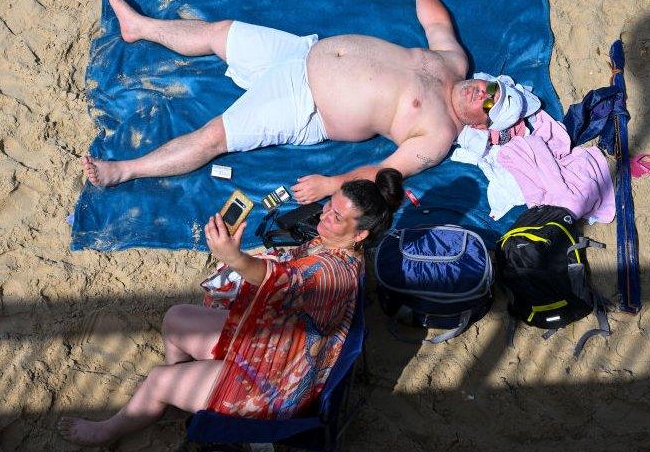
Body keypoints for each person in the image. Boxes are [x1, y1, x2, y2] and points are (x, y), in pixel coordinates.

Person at [82, 0, 534, 204]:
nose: (482, 92)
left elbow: (384, 173)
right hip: (301, 52)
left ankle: (122, 171)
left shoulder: (437, 136)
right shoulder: (455, 63)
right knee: (220, 33)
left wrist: (331, 183)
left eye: (488, 103)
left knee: (213, 137)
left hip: (304, 102)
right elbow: (437, 22)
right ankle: (140, 27)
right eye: (490, 87)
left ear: (480, 125)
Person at [58, 169, 405, 446]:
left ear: (359, 235)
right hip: (274, 345)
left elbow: (280, 279)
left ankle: (110, 429)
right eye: (328, 206)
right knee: (176, 318)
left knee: (158, 379)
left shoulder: (331, 271)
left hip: (275, 382)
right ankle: (184, 393)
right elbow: (287, 275)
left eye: (336, 217)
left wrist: (235, 258)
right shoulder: (341, 250)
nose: (324, 216)